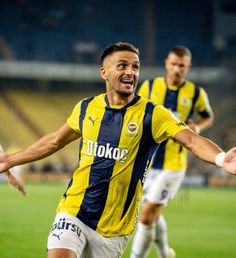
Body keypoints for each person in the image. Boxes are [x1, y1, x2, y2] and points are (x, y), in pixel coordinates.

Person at [0, 42, 235, 258]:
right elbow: (54, 141)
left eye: (135, 67)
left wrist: (221, 158)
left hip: (116, 227)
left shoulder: (154, 115)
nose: (130, 72)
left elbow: (192, 140)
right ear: (104, 72)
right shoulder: (86, 107)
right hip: (74, 210)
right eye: (122, 65)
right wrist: (11, 159)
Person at [130, 46, 214, 258]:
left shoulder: (196, 93)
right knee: (153, 214)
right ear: (167, 63)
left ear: (188, 67)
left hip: (173, 165)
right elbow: (136, 109)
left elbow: (207, 116)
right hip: (148, 162)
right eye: (174, 64)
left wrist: (198, 128)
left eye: (182, 66)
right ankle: (164, 253)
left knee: (147, 216)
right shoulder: (149, 86)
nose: (177, 69)